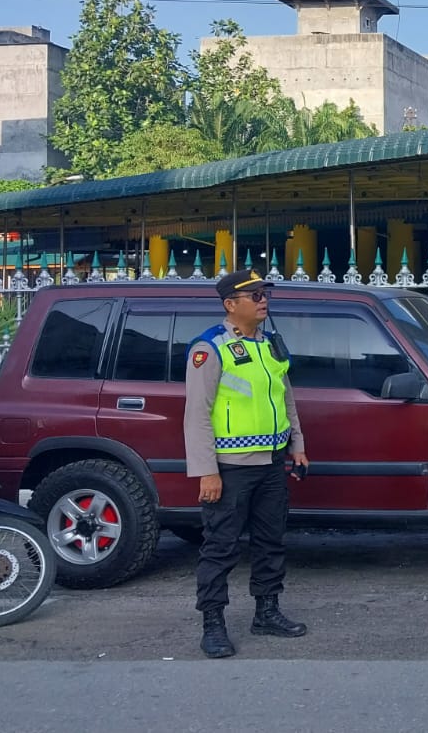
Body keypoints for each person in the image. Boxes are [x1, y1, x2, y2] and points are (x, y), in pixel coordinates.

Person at [185, 268, 309, 660]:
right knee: (220, 547)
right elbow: (197, 415)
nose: (262, 300)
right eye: (254, 295)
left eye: (264, 294)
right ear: (230, 304)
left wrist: (297, 445)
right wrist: (207, 470)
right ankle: (213, 625)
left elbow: (285, 397)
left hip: (271, 464)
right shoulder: (211, 348)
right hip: (230, 467)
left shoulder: (270, 343)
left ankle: (267, 612)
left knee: (271, 542)